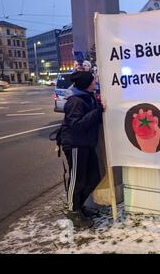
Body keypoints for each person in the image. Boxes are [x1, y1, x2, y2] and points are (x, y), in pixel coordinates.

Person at [60, 71, 103, 228]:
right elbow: (77, 125)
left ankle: (78, 205)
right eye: (92, 81)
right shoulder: (75, 101)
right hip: (75, 144)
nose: (95, 82)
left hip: (86, 143)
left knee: (93, 178)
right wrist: (97, 111)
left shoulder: (87, 97)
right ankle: (73, 211)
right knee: (77, 179)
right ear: (86, 84)